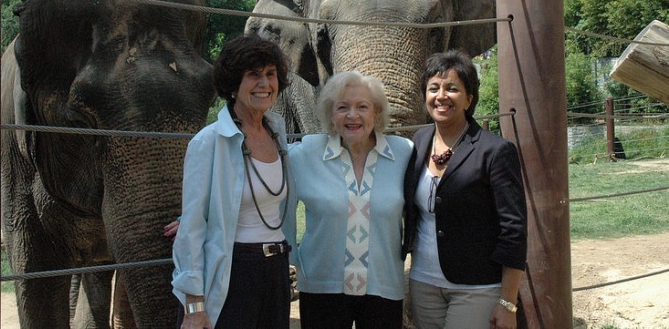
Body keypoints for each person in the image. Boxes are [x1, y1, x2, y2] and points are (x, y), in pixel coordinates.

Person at [171, 34, 296, 329]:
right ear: (232, 83)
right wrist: (194, 306)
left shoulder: (279, 136)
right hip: (233, 274)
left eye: (270, 74)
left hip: (277, 272)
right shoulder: (208, 142)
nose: (264, 84)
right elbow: (191, 229)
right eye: (253, 75)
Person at [403, 50, 527, 329]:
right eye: (433, 88)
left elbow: (514, 229)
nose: (441, 96)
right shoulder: (420, 141)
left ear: (469, 99)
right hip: (423, 281)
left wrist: (507, 302)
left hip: (477, 286)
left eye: (453, 88)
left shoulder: (495, 151)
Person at [285, 71, 413, 329]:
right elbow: (260, 186)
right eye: (342, 107)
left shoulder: (404, 153)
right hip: (322, 286)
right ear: (330, 114)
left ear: (376, 113)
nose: (352, 115)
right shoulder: (305, 153)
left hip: (384, 286)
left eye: (362, 107)